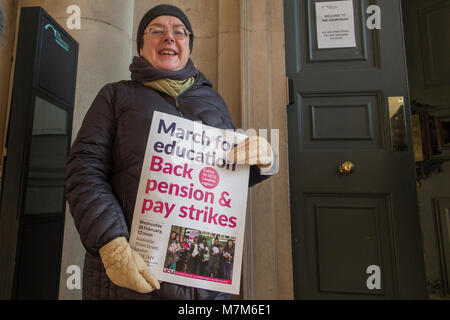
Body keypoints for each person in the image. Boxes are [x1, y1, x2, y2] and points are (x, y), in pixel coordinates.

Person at [65, 4, 277, 300]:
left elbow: (224, 179)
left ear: (188, 45)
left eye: (179, 31)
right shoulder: (115, 96)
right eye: (156, 31)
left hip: (205, 286)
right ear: (141, 45)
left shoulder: (214, 102)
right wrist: (110, 243)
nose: (169, 37)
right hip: (133, 278)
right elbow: (84, 172)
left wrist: (263, 162)